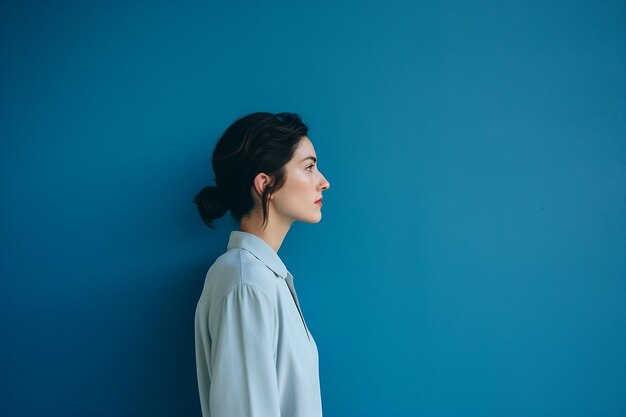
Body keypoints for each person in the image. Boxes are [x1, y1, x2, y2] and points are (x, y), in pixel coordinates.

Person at [193, 112, 331, 417]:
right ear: (265, 184)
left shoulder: (261, 277)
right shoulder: (247, 283)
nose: (324, 182)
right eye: (309, 167)